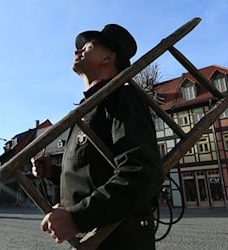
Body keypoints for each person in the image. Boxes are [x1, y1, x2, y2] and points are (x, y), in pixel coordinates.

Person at [32, 24, 164, 250]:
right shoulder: (90, 108)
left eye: (87, 47)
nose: (77, 51)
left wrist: (78, 217)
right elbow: (94, 170)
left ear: (108, 58)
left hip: (121, 240)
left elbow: (141, 173)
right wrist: (54, 172)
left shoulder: (121, 98)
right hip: (100, 238)